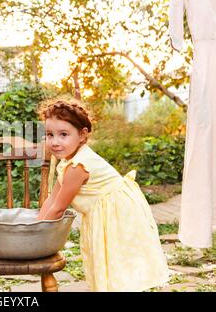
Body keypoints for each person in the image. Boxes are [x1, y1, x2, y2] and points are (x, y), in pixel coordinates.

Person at [36, 98, 170, 292]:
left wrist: (37, 240)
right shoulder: (67, 161)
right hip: (104, 212)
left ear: (82, 135)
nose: (55, 142)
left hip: (117, 214)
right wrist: (35, 226)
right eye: (50, 134)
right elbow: (51, 200)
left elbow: (58, 208)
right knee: (108, 264)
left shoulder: (78, 166)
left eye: (63, 134)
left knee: (119, 265)